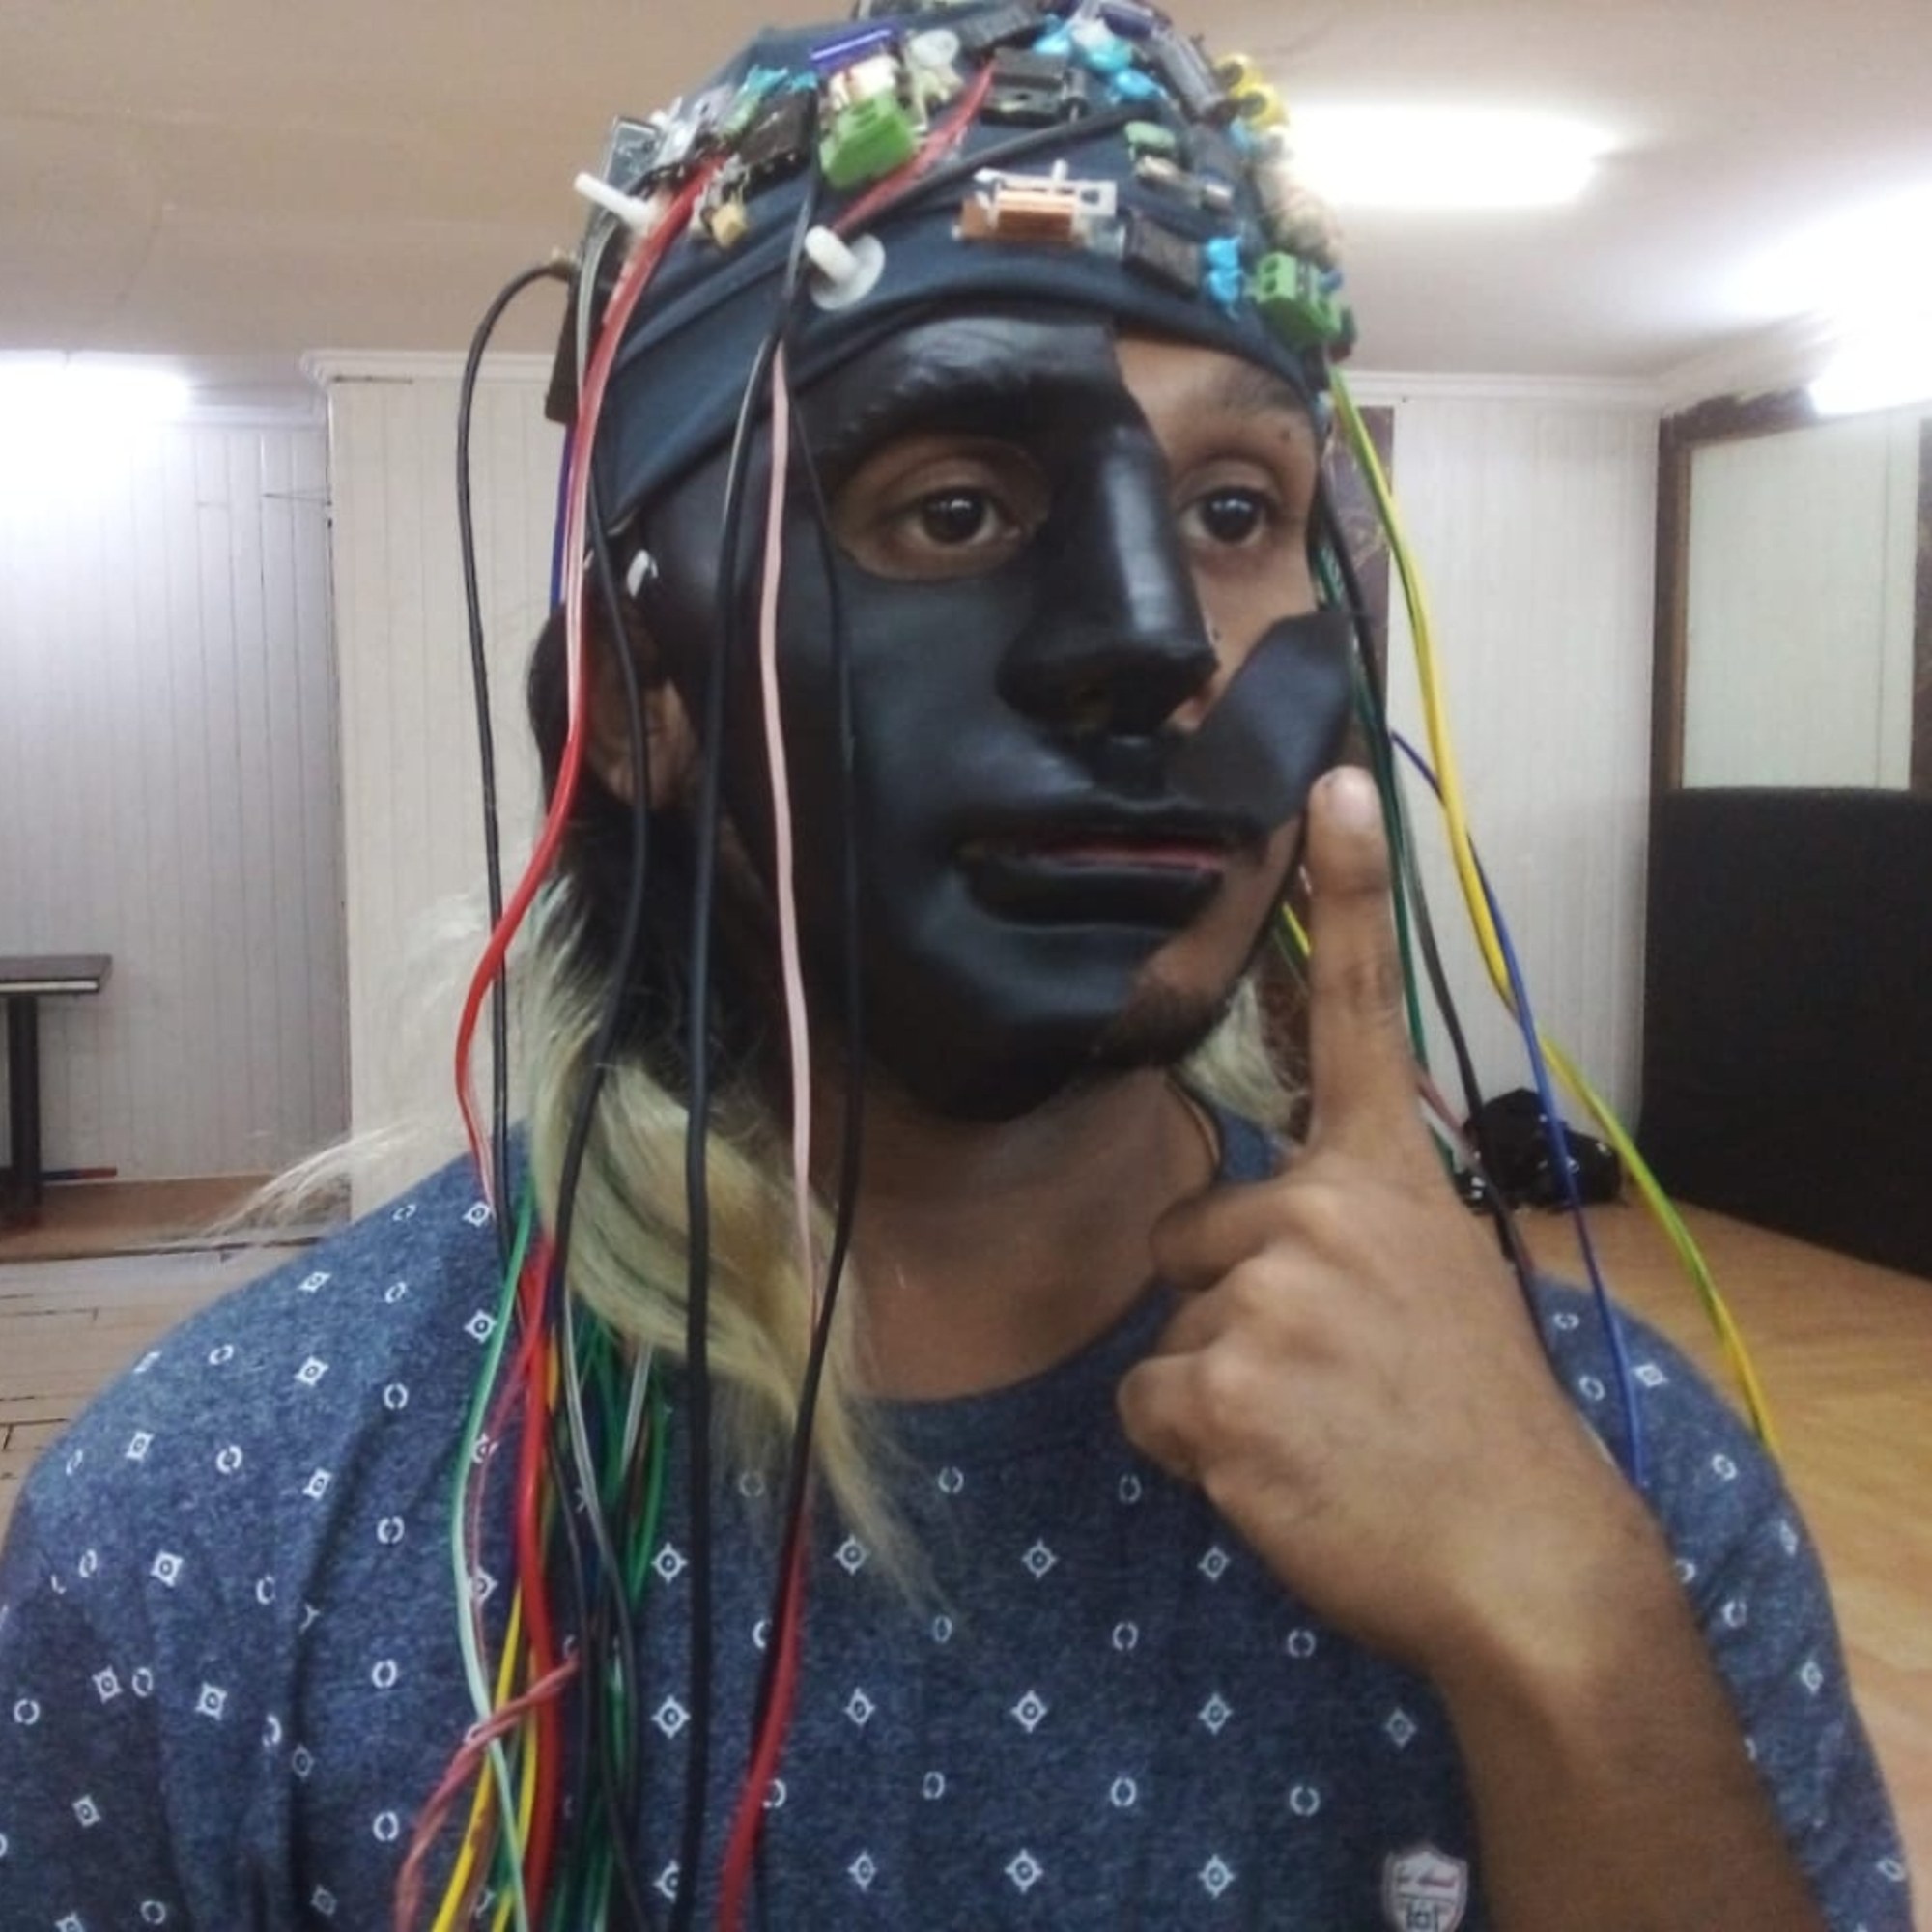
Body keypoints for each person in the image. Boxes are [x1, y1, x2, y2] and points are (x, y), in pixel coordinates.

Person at [0, 4, 1912, 1927]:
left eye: (1234, 512)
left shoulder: (1604, 1476)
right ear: (636, 699)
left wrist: (1568, 1632)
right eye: (954, 509)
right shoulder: (220, 1521)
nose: (1152, 644)